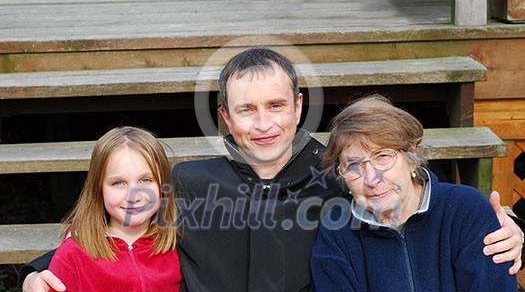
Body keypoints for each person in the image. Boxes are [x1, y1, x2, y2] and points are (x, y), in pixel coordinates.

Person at [19, 48, 524, 292]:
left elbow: (416, 204)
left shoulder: (340, 180)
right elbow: (111, 227)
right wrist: (38, 274)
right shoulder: (191, 186)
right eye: (246, 109)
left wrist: (513, 231)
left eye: (276, 105)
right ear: (226, 118)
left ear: (299, 107)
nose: (264, 124)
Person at [310, 95, 517, 291]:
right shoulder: (337, 230)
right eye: (353, 165)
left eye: (383, 156)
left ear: (411, 156)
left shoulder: (464, 210)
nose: (371, 179)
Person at [48, 126, 182, 291]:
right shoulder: (73, 254)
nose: (134, 196)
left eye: (146, 180)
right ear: (99, 189)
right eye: (118, 183)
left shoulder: (179, 244)